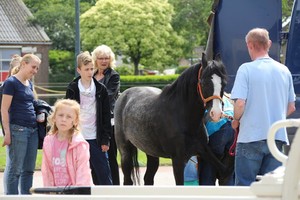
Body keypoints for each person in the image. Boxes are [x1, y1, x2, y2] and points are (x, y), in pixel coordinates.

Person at [231, 28, 296, 186]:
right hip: (277, 138)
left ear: (250, 45)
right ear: (269, 44)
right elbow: (291, 107)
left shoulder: (245, 69)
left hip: (250, 137)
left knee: (244, 188)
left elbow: (240, 103)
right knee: (271, 190)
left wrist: (236, 120)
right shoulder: (284, 71)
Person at [66, 51, 113, 185]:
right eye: (86, 69)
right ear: (78, 70)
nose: (90, 72)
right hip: (77, 138)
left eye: (92, 69)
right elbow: (67, 113)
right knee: (78, 176)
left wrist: (105, 140)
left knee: (104, 175)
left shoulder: (101, 89)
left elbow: (105, 116)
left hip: (96, 139)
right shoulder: (72, 88)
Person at [1, 54, 41, 194]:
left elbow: (31, 104)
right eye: (33, 67)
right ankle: (11, 197)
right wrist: (7, 133)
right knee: (15, 169)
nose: (35, 71)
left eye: (37, 68)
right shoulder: (11, 83)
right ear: (24, 64)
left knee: (29, 170)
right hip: (18, 129)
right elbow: (4, 109)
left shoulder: (29, 83)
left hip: (32, 130)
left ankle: (26, 196)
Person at [183, 94, 235, 186]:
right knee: (228, 176)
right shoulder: (224, 96)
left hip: (215, 132)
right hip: (232, 132)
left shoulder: (202, 96)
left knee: (208, 170)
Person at [41, 99, 93, 186]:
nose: (64, 119)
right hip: (55, 193)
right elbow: (47, 171)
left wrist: (78, 193)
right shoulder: (48, 142)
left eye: (69, 117)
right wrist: (49, 192)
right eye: (60, 115)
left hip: (75, 193)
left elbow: (83, 171)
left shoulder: (80, 144)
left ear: (75, 121)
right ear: (54, 118)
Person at [92, 45, 120, 185]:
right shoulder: (90, 75)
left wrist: (89, 99)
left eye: (106, 58)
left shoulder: (114, 76)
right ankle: (97, 188)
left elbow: (108, 97)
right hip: (91, 122)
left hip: (108, 122)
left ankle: (114, 188)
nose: (104, 61)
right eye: (101, 58)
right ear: (95, 59)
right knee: (93, 159)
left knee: (111, 158)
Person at [1, 54, 22, 195]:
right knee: (12, 165)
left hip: (23, 127)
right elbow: (4, 109)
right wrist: (7, 131)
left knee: (19, 166)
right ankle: (10, 194)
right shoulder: (7, 85)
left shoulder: (26, 84)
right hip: (12, 126)